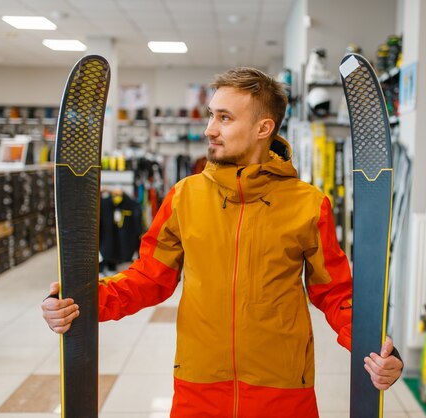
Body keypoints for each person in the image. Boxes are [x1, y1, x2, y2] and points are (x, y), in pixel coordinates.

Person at [42, 67, 403, 417]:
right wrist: (84, 301)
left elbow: (336, 294)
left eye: (225, 118)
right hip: (199, 385)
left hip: (282, 387)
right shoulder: (185, 197)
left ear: (264, 128)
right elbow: (150, 277)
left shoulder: (308, 204)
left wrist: (376, 347)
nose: (210, 129)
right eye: (211, 115)